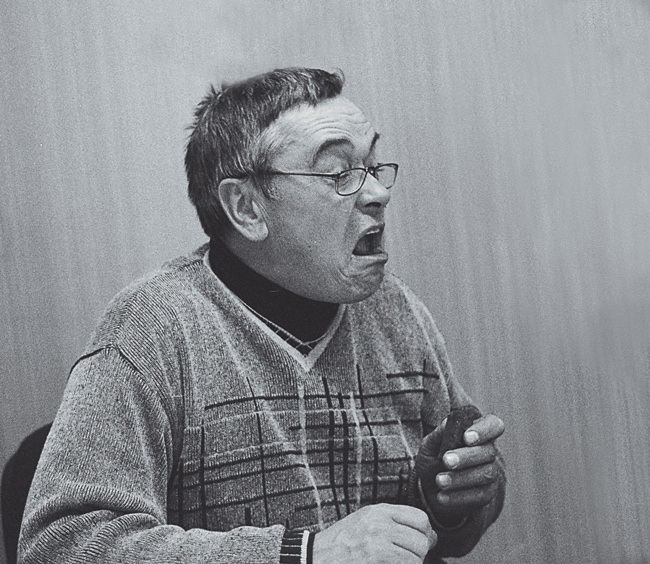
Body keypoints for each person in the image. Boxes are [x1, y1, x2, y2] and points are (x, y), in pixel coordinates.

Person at [18, 67, 505, 564]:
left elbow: (452, 530)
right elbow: (59, 546)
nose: (378, 193)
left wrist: (449, 502)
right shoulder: (151, 330)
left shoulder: (397, 310)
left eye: (373, 166)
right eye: (339, 173)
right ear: (247, 208)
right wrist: (303, 554)